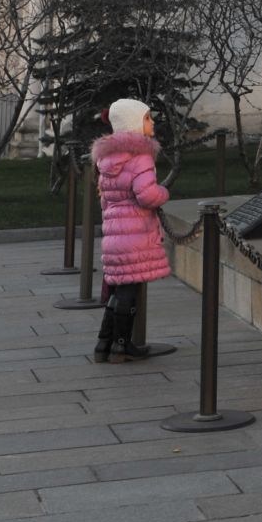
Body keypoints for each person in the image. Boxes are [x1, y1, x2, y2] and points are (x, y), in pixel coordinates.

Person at [91, 97, 170, 363]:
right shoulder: (141, 156)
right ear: (135, 123)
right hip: (136, 232)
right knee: (129, 290)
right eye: (148, 117)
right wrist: (164, 193)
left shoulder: (107, 159)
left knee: (116, 288)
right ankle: (122, 346)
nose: (153, 122)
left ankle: (104, 343)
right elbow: (146, 195)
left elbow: (105, 198)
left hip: (114, 233)